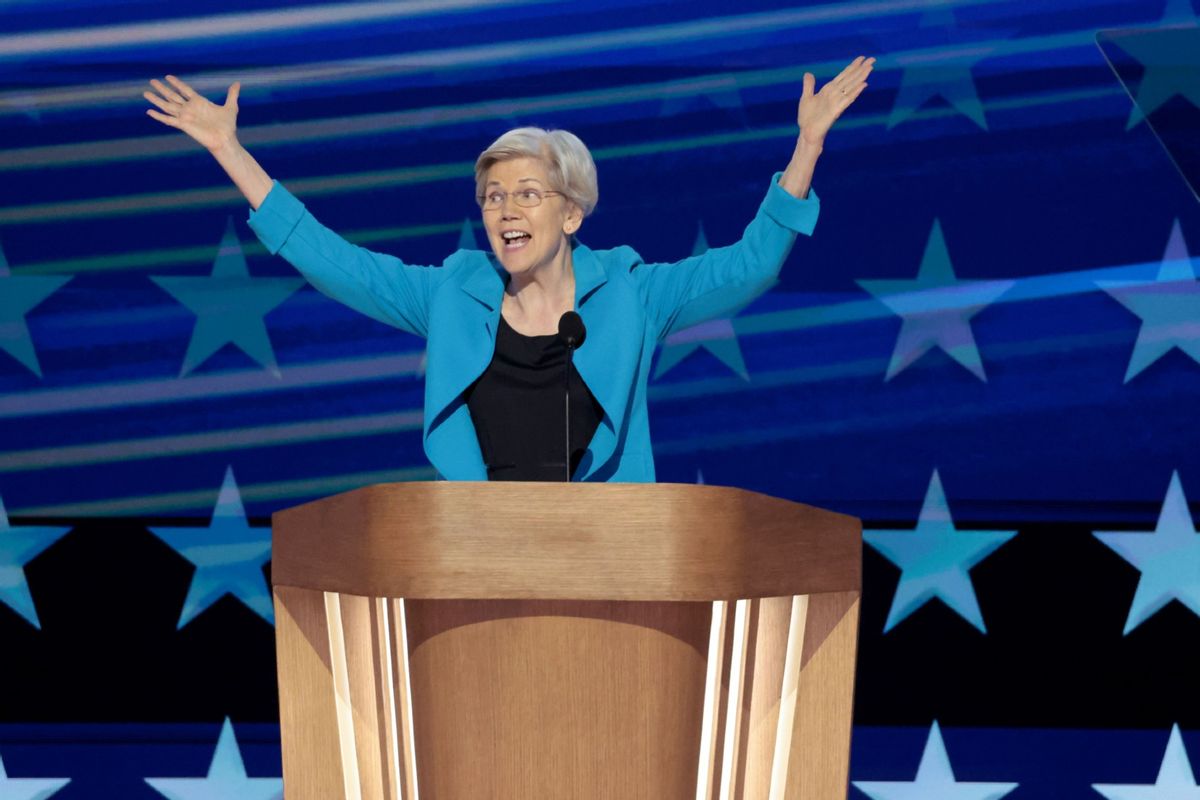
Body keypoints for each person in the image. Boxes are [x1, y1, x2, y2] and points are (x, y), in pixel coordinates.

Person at [144, 56, 874, 482]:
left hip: (609, 561)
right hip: (479, 561)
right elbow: (333, 260)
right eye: (493, 197)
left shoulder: (629, 291)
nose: (504, 210)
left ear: (571, 213)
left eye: (526, 193)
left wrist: (806, 146)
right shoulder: (452, 293)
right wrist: (227, 150)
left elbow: (751, 265)